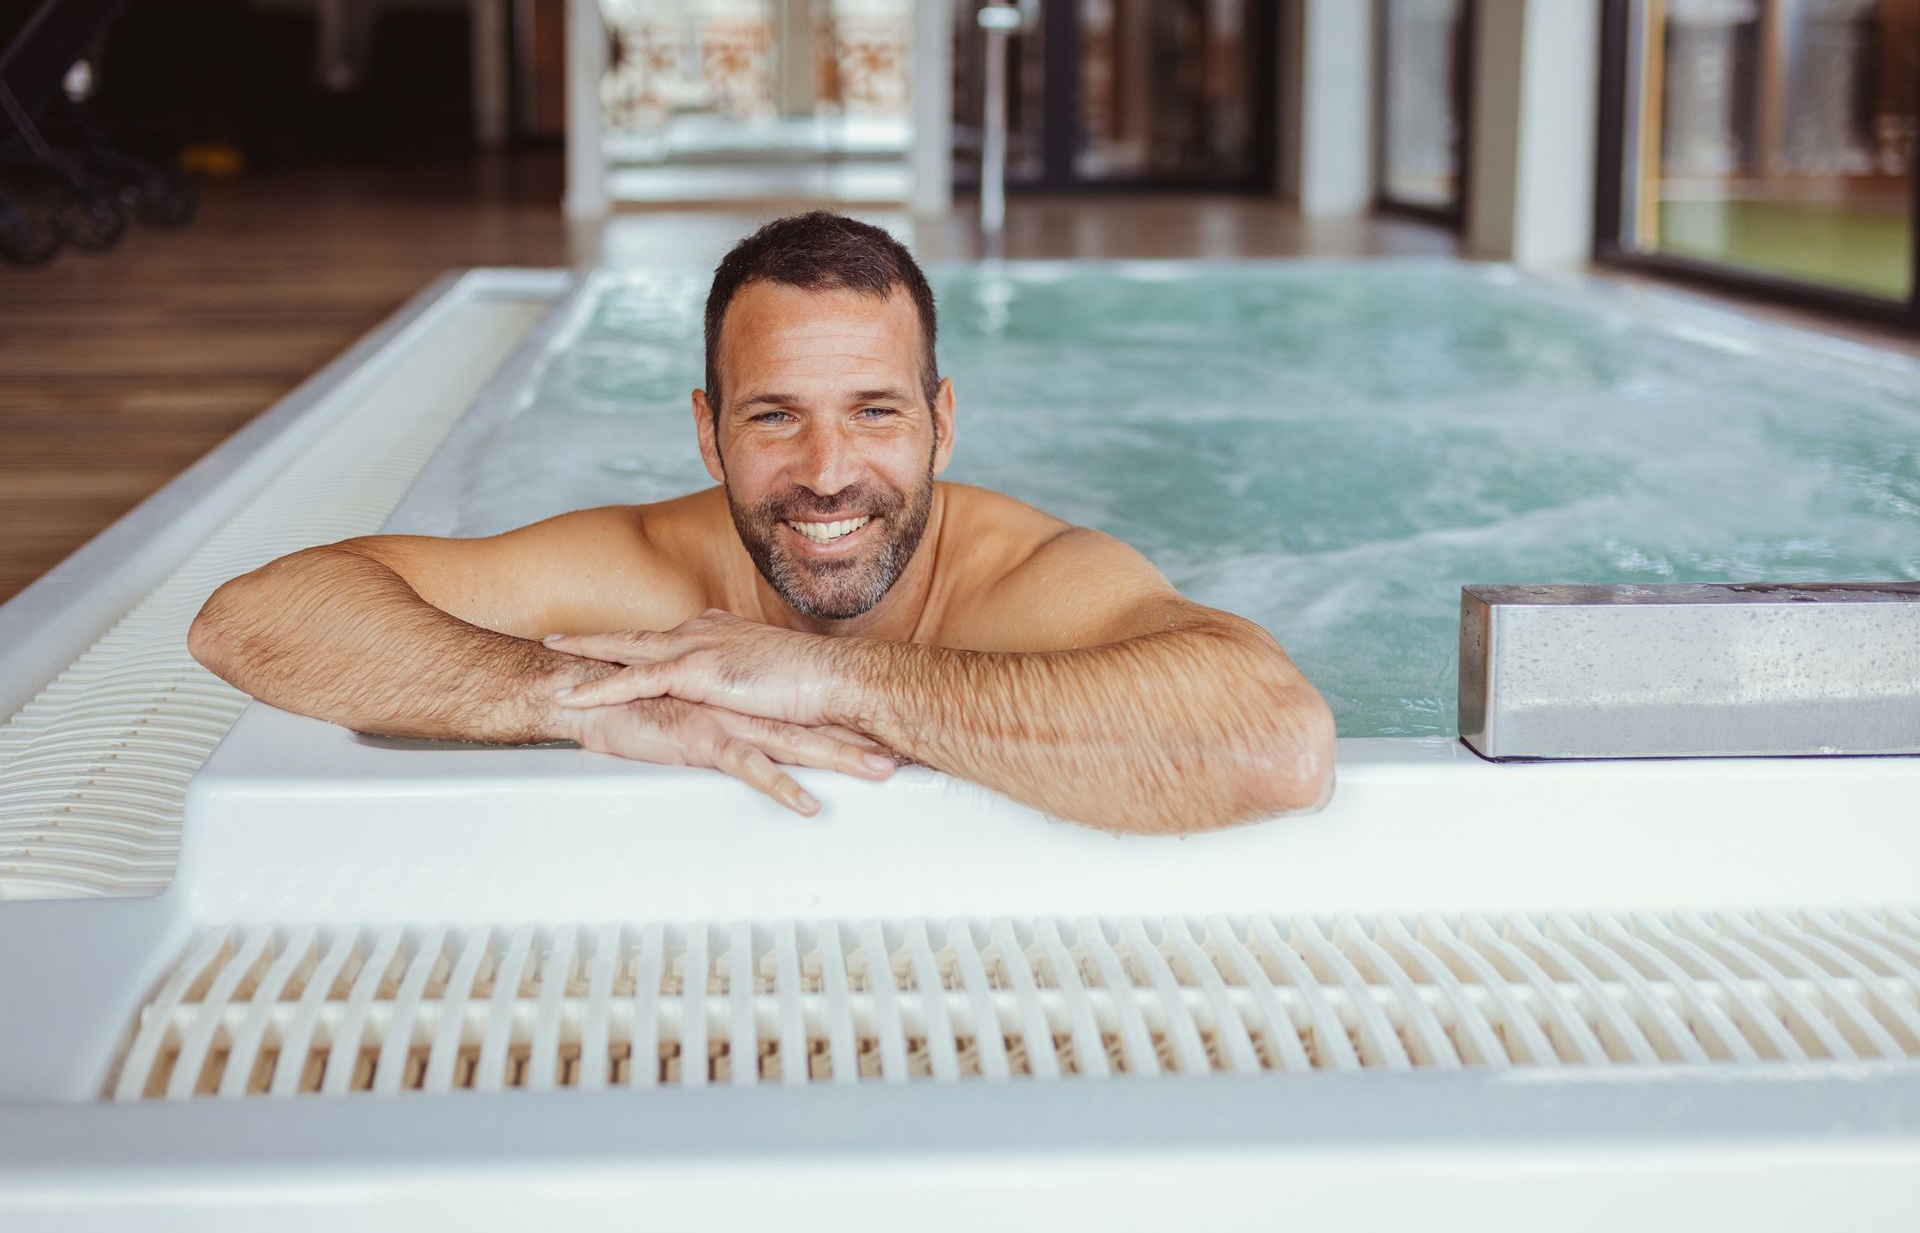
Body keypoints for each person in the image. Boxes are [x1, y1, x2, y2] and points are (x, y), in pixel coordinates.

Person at [188, 212, 1334, 833]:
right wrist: (574, 704)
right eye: (774, 416)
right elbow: (254, 618)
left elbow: (1276, 745)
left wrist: (827, 679)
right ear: (707, 432)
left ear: (942, 425)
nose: (828, 473)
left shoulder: (1027, 580)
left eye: (874, 413)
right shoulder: (639, 567)